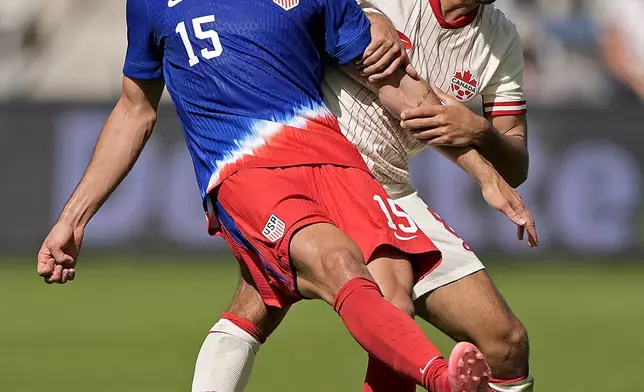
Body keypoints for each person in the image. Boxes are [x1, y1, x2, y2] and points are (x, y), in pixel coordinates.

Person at [35, 0, 536, 391]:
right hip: (251, 169)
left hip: (341, 163)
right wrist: (74, 218)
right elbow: (133, 109)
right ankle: (440, 379)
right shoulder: (152, 5)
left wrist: (484, 167)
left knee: (399, 296)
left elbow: (391, 82)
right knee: (335, 264)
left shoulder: (496, 36)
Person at [191, 1, 538, 392]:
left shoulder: (501, 37)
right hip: (311, 165)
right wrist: (368, 14)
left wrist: (478, 131)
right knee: (261, 307)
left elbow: (516, 165)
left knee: (506, 345)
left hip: (390, 187)